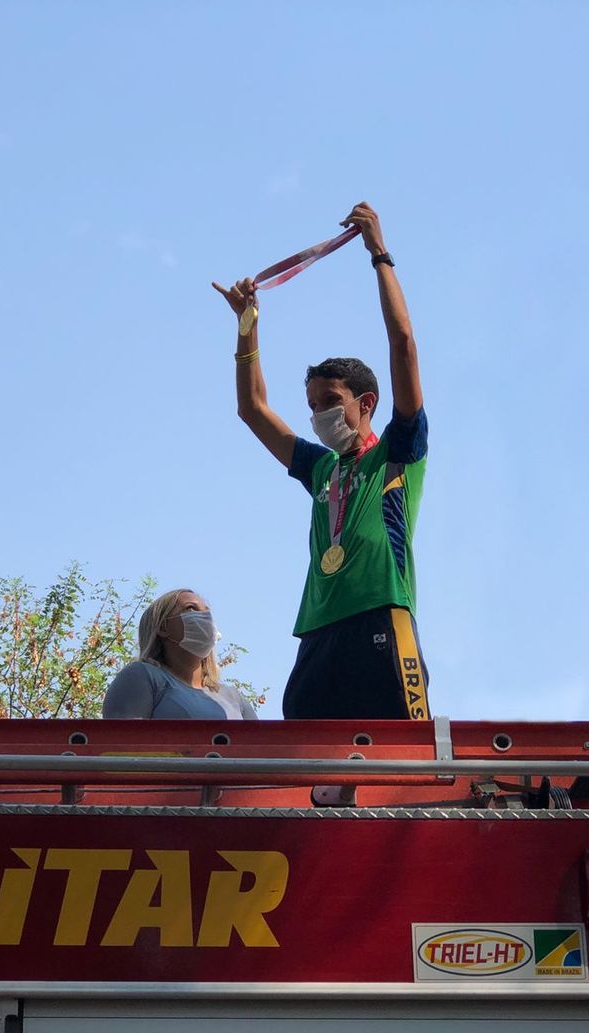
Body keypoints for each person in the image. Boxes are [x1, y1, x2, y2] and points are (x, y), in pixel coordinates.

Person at [213, 202, 430, 720]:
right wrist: (247, 326)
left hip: (383, 616)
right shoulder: (320, 470)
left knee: (406, 760)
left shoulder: (399, 452)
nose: (318, 414)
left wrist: (379, 254)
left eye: (329, 401)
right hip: (318, 630)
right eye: (311, 405)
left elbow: (403, 344)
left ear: (366, 403)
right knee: (304, 762)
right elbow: (253, 409)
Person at [102, 589, 258, 720]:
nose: (206, 618)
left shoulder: (233, 697)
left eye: (207, 611)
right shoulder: (141, 676)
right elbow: (123, 748)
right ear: (163, 627)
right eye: (190, 608)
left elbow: (260, 750)